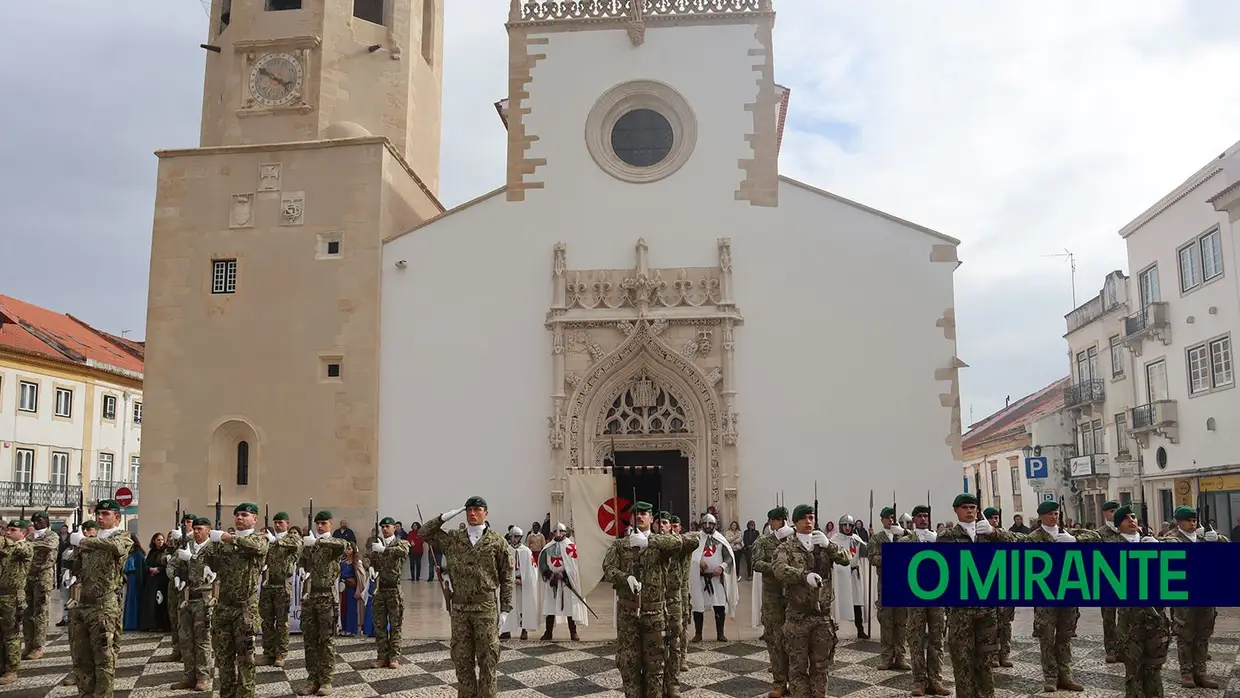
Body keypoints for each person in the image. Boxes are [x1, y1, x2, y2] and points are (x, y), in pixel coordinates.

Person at [602, 501, 698, 697]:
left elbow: (679, 543)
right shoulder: (620, 545)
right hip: (628, 613)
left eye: (644, 513)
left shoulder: (660, 544)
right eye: (635, 514)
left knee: (655, 664)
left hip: (654, 614)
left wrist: (648, 541)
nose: (640, 516)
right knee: (629, 662)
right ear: (630, 519)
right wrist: (625, 577)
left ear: (651, 519)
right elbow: (608, 568)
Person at [422, 496, 513, 698]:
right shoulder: (453, 538)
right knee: (462, 661)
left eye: (477, 509)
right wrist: (445, 516)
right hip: (460, 609)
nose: (472, 513)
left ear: (485, 513)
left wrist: (506, 608)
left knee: (488, 660)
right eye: (469, 510)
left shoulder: (497, 541)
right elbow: (424, 532)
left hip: (486, 608)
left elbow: (507, 576)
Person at [937, 493, 1015, 698]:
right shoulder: (947, 536)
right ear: (956, 510)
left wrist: (994, 532)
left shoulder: (987, 533)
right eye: (965, 508)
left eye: (973, 507)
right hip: (961, 610)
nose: (970, 511)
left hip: (986, 609)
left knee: (986, 661)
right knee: (962, 662)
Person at [771, 504, 849, 698]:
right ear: (795, 522)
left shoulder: (822, 545)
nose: (808, 521)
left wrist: (828, 545)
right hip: (798, 616)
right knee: (798, 668)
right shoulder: (786, 547)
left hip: (822, 617)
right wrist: (802, 576)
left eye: (811, 517)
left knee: (821, 667)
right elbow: (778, 569)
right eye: (804, 518)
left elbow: (846, 559)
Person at [1023, 500, 1100, 692]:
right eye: (1049, 514)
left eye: (1056, 513)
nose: (1053, 516)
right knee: (1047, 637)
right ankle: (1050, 677)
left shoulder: (1067, 534)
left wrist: (1075, 541)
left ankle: (1065, 675)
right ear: (1040, 516)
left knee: (1065, 636)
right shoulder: (1033, 538)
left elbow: (1096, 537)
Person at [199, 503, 268, 698]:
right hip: (223, 607)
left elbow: (258, 547)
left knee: (246, 658)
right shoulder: (224, 542)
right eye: (237, 515)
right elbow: (206, 557)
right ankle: (226, 694)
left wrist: (228, 537)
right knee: (223, 658)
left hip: (245, 609)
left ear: (254, 519)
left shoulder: (258, 539)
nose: (239, 518)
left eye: (244, 515)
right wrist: (207, 561)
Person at [69, 500, 134, 697]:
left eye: (106, 514)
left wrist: (83, 541)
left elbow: (117, 548)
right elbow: (76, 564)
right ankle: (85, 693)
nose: (100, 517)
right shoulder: (92, 538)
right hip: (81, 604)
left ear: (117, 517)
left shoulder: (122, 537)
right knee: (81, 657)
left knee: (104, 658)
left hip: (103, 606)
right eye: (98, 513)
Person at [1161, 505, 1225, 688]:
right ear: (1179, 522)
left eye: (1194, 520)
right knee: (1185, 635)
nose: (1192, 523)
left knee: (1203, 635)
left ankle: (1201, 672)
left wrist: (1217, 539)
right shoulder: (1173, 539)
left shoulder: (1204, 538)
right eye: (1188, 520)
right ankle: (1187, 673)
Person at [1109, 505, 1169, 696]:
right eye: (1126, 519)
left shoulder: (1151, 542)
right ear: (1118, 526)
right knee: (1134, 670)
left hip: (1155, 617)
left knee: (1154, 667)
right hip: (1131, 621)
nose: (1132, 520)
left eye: (1133, 517)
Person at [298, 510, 350, 696]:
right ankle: (312, 679)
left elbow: (343, 544)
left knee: (326, 640)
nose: (320, 526)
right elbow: (302, 561)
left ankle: (326, 680)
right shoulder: (309, 544)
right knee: (310, 641)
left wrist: (317, 541)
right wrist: (304, 568)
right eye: (317, 523)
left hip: (326, 598)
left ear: (331, 524)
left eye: (323, 523)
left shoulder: (331, 543)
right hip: (309, 597)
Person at [905, 505, 949, 696]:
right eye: (920, 516)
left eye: (926, 516)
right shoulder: (906, 540)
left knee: (936, 638)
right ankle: (919, 680)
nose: (923, 519)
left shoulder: (938, 538)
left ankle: (936, 680)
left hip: (936, 593)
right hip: (915, 594)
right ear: (914, 519)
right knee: (916, 639)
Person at [751, 506, 794, 698]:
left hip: (793, 596)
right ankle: (779, 682)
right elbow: (756, 563)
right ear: (770, 522)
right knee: (775, 639)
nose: (780, 522)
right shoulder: (763, 541)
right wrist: (777, 568)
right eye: (777, 519)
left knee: (794, 640)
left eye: (783, 519)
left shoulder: (794, 540)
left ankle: (795, 681)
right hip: (773, 596)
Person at [170, 516, 215, 691]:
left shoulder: (214, 548)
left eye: (200, 529)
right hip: (186, 597)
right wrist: (175, 576)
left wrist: (192, 559)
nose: (196, 532)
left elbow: (212, 570)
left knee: (203, 639)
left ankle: (203, 677)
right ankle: (189, 676)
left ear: (208, 530)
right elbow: (174, 565)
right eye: (194, 529)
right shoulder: (186, 546)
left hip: (204, 598)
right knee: (185, 639)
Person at [868, 506, 909, 671]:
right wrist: (891, 557)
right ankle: (886, 657)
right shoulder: (877, 538)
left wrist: (904, 533)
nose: (891, 520)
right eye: (887, 518)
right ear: (882, 519)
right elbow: (872, 558)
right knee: (886, 622)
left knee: (901, 622)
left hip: (902, 583)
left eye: (893, 517)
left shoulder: (903, 536)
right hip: (885, 583)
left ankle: (901, 656)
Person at [259, 511, 302, 667]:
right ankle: (268, 653)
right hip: (268, 583)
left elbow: (297, 545)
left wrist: (275, 540)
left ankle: (280, 654)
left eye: (281, 523)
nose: (277, 525)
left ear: (287, 523)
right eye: (275, 522)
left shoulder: (292, 538)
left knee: (282, 621)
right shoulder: (268, 540)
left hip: (283, 584)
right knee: (267, 621)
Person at [366, 516, 410, 667]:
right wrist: (370, 566)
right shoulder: (377, 543)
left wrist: (384, 549)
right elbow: (368, 558)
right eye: (382, 527)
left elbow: (403, 552)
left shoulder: (400, 542)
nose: (384, 529)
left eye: (387, 526)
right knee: (380, 625)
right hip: (380, 589)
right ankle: (382, 656)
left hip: (394, 589)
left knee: (396, 624)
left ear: (394, 528)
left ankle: (394, 657)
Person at [689, 513, 739, 642]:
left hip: (716, 579)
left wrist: (721, 567)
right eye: (705, 523)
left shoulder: (720, 539)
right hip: (700, 578)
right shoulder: (696, 539)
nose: (707, 526)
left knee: (719, 605)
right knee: (697, 606)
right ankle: (698, 633)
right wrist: (698, 562)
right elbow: (690, 555)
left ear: (714, 525)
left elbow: (728, 557)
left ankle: (720, 633)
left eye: (710, 523)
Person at [537, 522, 586, 641]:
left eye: (561, 531)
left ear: (566, 532)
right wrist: (550, 575)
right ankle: (548, 632)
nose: (558, 533)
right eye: (556, 531)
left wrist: (563, 574)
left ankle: (573, 632)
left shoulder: (571, 546)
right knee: (550, 607)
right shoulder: (548, 547)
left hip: (566, 582)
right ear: (552, 533)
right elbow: (542, 564)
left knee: (569, 607)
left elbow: (575, 565)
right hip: (552, 581)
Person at [0, 520, 34, 684]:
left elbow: (18, 550)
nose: (8, 532)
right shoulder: (6, 545)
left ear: (23, 533)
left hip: (12, 596)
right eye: (7, 529)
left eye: (13, 530)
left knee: (10, 634)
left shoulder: (25, 547)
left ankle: (11, 669)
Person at [21, 512, 57, 660]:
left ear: (46, 521)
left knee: (40, 612)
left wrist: (28, 544)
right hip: (28, 576)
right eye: (34, 521)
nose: (36, 523)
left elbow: (49, 546)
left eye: (40, 520)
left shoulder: (51, 536)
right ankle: (28, 644)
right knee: (27, 612)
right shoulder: (30, 537)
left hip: (43, 577)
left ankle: (38, 646)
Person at [981, 506, 1013, 669]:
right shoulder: (980, 538)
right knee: (991, 623)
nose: (994, 521)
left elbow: (1019, 539)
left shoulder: (1003, 535)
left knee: (1005, 623)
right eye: (991, 518)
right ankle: (993, 654)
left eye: (996, 518)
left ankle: (1005, 653)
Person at [1094, 500, 1124, 664]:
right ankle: (1111, 649)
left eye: (1117, 510)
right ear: (1105, 513)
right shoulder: (1100, 534)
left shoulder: (1128, 530)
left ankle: (1124, 647)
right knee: (1109, 617)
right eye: (1111, 511)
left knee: (1127, 616)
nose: (1114, 514)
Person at [829, 514, 868, 639]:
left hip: (854, 574)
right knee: (838, 602)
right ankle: (833, 630)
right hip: (840, 574)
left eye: (849, 525)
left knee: (857, 603)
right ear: (840, 526)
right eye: (844, 525)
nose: (847, 528)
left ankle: (860, 629)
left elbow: (866, 552)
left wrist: (862, 545)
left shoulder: (855, 538)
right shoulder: (835, 539)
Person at [164, 512, 195, 662]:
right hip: (174, 586)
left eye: (190, 522)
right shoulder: (177, 538)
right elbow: (169, 558)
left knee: (186, 621)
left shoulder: (196, 540)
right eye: (186, 522)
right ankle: (177, 649)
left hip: (189, 586)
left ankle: (187, 652)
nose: (187, 524)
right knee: (174, 617)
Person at [500, 527, 538, 641]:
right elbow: (501, 567)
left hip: (522, 584)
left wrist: (523, 579)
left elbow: (532, 568)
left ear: (520, 537)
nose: (514, 539)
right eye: (512, 536)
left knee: (522, 607)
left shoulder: (526, 551)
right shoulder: (506, 550)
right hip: (509, 584)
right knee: (507, 607)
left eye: (517, 536)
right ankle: (506, 630)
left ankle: (524, 630)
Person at [139, 532, 171, 632]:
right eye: (158, 540)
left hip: (162, 581)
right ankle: (152, 624)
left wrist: (159, 570)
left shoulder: (166, 552)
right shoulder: (152, 552)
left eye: (162, 540)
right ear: (154, 541)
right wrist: (149, 569)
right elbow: (145, 565)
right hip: (152, 581)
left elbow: (168, 566)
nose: (160, 542)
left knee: (161, 602)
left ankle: (162, 625)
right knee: (151, 603)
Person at [339, 546, 362, 636]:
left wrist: (357, 585)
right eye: (346, 549)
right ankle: (343, 628)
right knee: (343, 608)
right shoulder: (342, 563)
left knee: (351, 608)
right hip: (343, 588)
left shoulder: (356, 563)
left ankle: (351, 629)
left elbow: (360, 576)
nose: (347, 551)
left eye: (349, 549)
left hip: (352, 588)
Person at [122, 539, 144, 631]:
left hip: (134, 578)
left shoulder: (138, 554)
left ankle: (132, 623)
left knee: (133, 600)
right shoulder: (129, 553)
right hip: (129, 578)